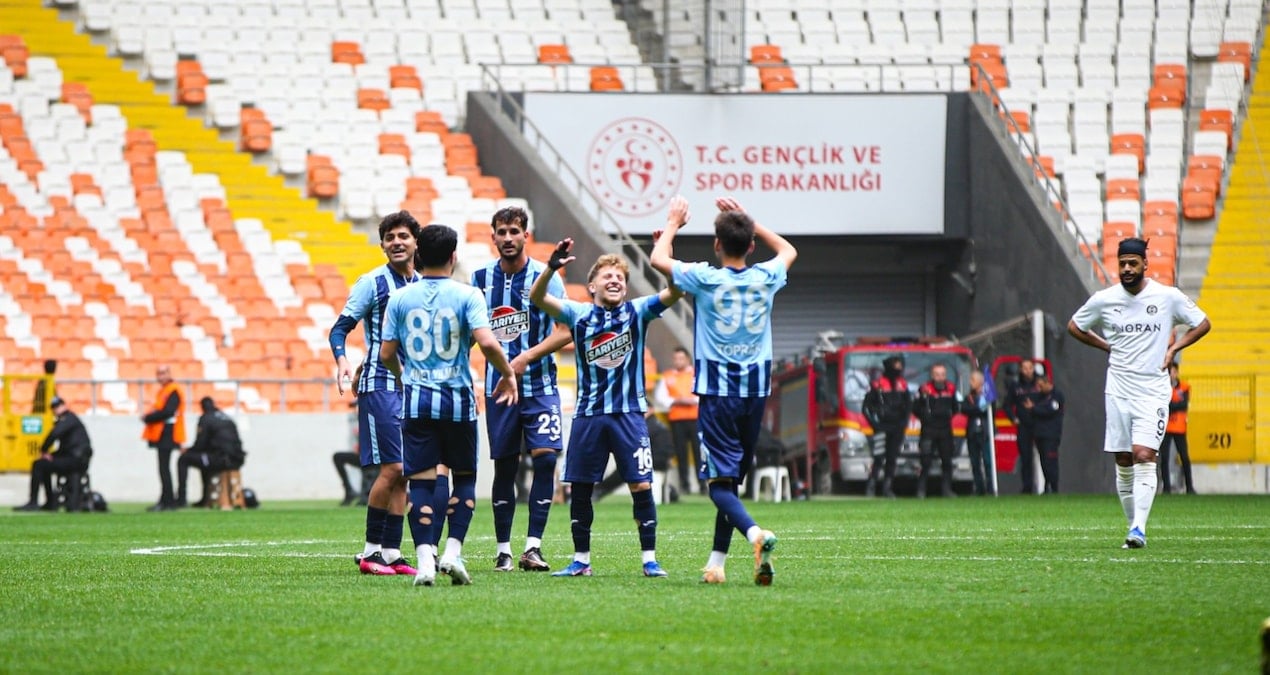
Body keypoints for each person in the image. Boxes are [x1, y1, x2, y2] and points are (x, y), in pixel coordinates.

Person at [650, 194, 795, 586]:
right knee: (729, 481)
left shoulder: (705, 277)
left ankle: (755, 534)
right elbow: (788, 249)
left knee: (717, 484)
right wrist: (750, 221)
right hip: (755, 394)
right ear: (750, 245)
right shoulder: (766, 276)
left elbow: (658, 260)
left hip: (717, 394)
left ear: (716, 244)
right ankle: (716, 564)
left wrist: (672, 223)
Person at [532, 238, 683, 579]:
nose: (615, 280)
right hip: (588, 416)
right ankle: (581, 560)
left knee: (641, 486)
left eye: (620, 278)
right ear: (591, 285)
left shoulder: (638, 311)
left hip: (629, 415)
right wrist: (552, 267)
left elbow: (676, 292)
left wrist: (665, 257)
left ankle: (649, 560)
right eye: (607, 276)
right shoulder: (578, 313)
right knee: (581, 488)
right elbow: (538, 298)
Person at [381, 223, 518, 587]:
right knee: (465, 479)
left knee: (421, 483)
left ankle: (425, 560)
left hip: (417, 402)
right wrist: (507, 373)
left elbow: (386, 354)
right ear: (454, 256)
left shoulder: (400, 299)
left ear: (419, 255)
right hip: (457, 402)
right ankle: (453, 553)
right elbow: (487, 343)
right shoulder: (469, 294)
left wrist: (403, 373)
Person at [1068, 237, 1211, 549]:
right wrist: (1105, 345)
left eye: (1133, 263)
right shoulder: (1105, 300)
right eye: (1122, 264)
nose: (1127, 268)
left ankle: (1139, 529)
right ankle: (1133, 526)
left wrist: (1174, 347)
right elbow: (1075, 326)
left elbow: (1202, 323)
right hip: (1117, 389)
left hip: (1152, 390)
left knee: (1144, 454)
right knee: (1123, 459)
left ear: (1146, 264)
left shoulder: (1167, 297)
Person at [470, 206, 574, 573]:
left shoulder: (547, 278)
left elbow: (565, 330)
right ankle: (503, 550)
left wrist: (524, 358)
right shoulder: (479, 279)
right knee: (505, 467)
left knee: (546, 457)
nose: (509, 238)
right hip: (499, 390)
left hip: (541, 385)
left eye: (515, 231)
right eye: (502, 231)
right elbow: (472, 333)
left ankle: (533, 547)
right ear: (493, 236)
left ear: (525, 235)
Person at [328, 211, 424, 576]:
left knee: (406, 472)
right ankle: (370, 552)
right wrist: (343, 362)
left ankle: (392, 553)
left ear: (416, 241)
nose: (397, 242)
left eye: (403, 236)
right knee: (394, 467)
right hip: (380, 384)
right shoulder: (372, 283)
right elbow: (339, 329)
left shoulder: (422, 284)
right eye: (390, 237)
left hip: (413, 387)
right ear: (382, 244)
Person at [13, 397, 92, 512]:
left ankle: (35, 502)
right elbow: (66, 447)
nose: (56, 409)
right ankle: (49, 502)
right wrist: (51, 455)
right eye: (54, 407)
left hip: (75, 460)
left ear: (64, 405)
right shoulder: (69, 419)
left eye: (58, 406)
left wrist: (44, 451)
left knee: (39, 465)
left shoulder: (68, 419)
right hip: (74, 458)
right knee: (44, 464)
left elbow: (54, 434)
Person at [176, 397, 246, 508]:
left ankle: (181, 499)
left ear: (202, 407)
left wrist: (188, 450)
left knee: (184, 459)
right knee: (204, 460)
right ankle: (205, 499)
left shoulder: (206, 418)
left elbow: (201, 444)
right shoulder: (227, 418)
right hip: (237, 460)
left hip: (221, 460)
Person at [597, 409, 675, 502]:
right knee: (627, 467)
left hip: (653, 461)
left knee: (626, 468)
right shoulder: (655, 425)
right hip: (653, 460)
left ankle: (600, 489)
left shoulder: (647, 426)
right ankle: (600, 489)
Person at [654, 347, 702, 496]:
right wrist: (676, 401)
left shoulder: (696, 373)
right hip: (677, 419)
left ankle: (703, 485)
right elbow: (660, 396)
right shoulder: (667, 376)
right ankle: (685, 484)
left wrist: (692, 400)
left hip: (695, 418)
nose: (678, 361)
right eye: (676, 358)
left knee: (699, 453)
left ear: (687, 359)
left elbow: (703, 393)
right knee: (680, 453)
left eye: (681, 358)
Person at [863, 355, 912, 498]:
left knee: (892, 458)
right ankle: (871, 487)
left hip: (897, 428)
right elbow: (866, 408)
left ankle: (887, 488)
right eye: (896, 365)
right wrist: (875, 424)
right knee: (878, 458)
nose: (899, 368)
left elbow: (908, 406)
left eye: (900, 365)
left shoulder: (902, 385)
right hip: (881, 428)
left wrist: (904, 422)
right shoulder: (877, 385)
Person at [913, 363, 961, 498]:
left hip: (945, 430)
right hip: (929, 430)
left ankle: (947, 490)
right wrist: (926, 415)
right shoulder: (924, 389)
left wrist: (947, 415)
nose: (940, 378)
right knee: (926, 462)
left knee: (947, 461)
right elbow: (915, 408)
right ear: (932, 376)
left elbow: (956, 407)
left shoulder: (951, 388)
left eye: (943, 375)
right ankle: (921, 491)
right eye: (937, 375)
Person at [140, 365, 184, 512]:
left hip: (168, 433)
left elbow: (168, 411)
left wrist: (149, 418)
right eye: (158, 373)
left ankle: (168, 501)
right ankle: (166, 499)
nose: (161, 376)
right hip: (162, 433)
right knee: (163, 468)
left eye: (163, 373)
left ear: (169, 374)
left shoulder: (173, 390)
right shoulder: (163, 391)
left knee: (164, 468)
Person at [1004, 358, 1040, 494]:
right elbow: (1007, 405)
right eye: (1024, 368)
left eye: (1030, 367)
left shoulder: (1039, 383)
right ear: (1020, 369)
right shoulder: (1016, 386)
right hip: (1024, 426)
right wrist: (1013, 419)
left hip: (1039, 424)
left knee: (1045, 456)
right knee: (1026, 458)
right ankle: (1027, 487)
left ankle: (1050, 486)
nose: (1027, 371)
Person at [1161, 362, 1197, 494]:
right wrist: (1173, 405)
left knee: (1184, 456)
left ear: (1177, 373)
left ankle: (1190, 487)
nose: (1172, 375)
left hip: (1179, 427)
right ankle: (1166, 488)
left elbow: (1183, 404)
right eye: (1170, 372)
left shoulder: (1184, 387)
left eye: (1174, 372)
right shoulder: (1162, 387)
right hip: (1165, 426)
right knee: (1164, 457)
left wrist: (1171, 406)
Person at [1027, 375, 1064, 493]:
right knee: (1043, 461)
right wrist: (1034, 408)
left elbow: (1049, 410)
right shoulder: (1038, 397)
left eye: (1041, 386)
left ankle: (1054, 487)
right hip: (1039, 435)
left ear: (1048, 383)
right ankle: (1047, 486)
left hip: (1051, 436)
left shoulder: (1057, 396)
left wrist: (1034, 408)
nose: (1039, 389)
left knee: (1050, 461)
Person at [961, 370, 993, 496]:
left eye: (973, 380)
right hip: (972, 433)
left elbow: (989, 410)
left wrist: (978, 409)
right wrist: (978, 408)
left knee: (988, 462)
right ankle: (979, 489)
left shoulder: (988, 397)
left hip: (985, 433)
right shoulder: (968, 397)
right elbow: (964, 409)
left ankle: (991, 488)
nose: (970, 382)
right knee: (975, 462)